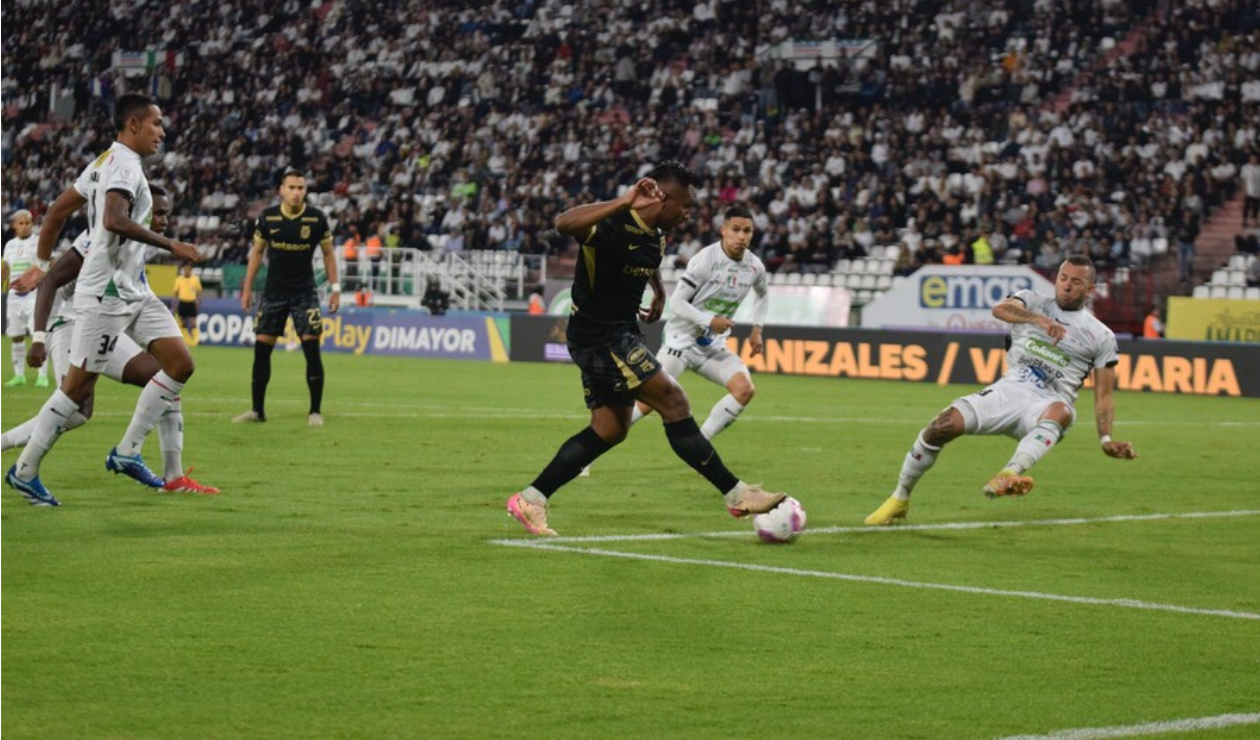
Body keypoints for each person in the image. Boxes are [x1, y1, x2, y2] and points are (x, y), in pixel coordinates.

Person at [505, 161, 786, 536]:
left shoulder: (657, 233)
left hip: (621, 332)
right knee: (673, 401)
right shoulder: (611, 223)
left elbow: (647, 257)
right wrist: (624, 201)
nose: (688, 214)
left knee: (610, 428)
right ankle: (737, 494)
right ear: (663, 198)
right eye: (684, 205)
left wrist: (658, 290)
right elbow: (562, 223)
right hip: (599, 335)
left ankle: (531, 499)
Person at [5, 93, 204, 506]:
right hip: (104, 294)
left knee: (180, 364)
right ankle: (25, 470)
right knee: (77, 394)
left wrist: (41, 263)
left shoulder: (101, 163)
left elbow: (58, 211)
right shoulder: (123, 167)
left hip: (135, 290)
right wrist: (171, 243)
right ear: (132, 124)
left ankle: (128, 451)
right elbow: (113, 219)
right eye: (156, 124)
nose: (162, 132)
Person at [865, 255, 1138, 526]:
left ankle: (1009, 473)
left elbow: (1104, 395)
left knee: (1063, 411)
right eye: (1063, 278)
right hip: (1010, 390)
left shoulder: (1101, 336)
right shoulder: (1033, 300)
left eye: (1076, 282)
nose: (1066, 286)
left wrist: (1105, 440)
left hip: (1047, 402)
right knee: (941, 426)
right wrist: (1038, 320)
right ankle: (899, 500)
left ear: (1090, 290)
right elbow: (1000, 309)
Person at [2, 187, 218, 494]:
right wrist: (38, 337)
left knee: (168, 372)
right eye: (157, 213)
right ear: (137, 211)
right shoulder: (98, 239)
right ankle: (11, 453)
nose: (164, 220)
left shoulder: (137, 245)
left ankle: (172, 476)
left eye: (166, 214)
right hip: (68, 321)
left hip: (104, 318)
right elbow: (50, 281)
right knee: (77, 409)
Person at [630, 204, 768, 439]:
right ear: (723, 230)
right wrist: (709, 320)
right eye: (736, 229)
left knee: (744, 390)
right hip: (680, 343)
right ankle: (590, 451)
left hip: (712, 346)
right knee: (649, 402)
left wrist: (757, 329)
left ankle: (699, 444)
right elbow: (677, 303)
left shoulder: (755, 266)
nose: (742, 236)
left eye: (747, 231)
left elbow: (763, 295)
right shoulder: (704, 260)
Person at [234, 170, 339, 426]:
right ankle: (257, 411)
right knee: (261, 351)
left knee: (312, 351)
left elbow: (328, 254)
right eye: (291, 187)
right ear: (281, 189)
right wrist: (247, 289)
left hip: (305, 293)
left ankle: (315, 411)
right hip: (273, 293)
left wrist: (336, 288)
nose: (296, 192)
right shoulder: (268, 218)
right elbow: (257, 253)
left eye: (301, 188)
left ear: (305, 190)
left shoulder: (316, 219)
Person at [2, 209, 52, 388]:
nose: (24, 227)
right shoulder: (9, 245)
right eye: (20, 223)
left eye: (27, 223)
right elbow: (6, 268)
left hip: (34, 296)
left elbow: (49, 263)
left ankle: (42, 376)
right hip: (14, 297)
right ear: (14, 225)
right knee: (16, 336)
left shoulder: (39, 242)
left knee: (38, 336)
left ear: (32, 224)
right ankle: (19, 375)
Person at [171, 262, 202, 345]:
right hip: (182, 302)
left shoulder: (195, 279)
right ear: (183, 270)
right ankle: (187, 341)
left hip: (191, 302)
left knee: (193, 323)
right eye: (186, 269)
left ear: (191, 270)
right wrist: (174, 305)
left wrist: (199, 301)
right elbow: (175, 293)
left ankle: (196, 340)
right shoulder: (179, 279)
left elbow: (199, 291)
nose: (187, 271)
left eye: (189, 269)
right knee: (183, 323)